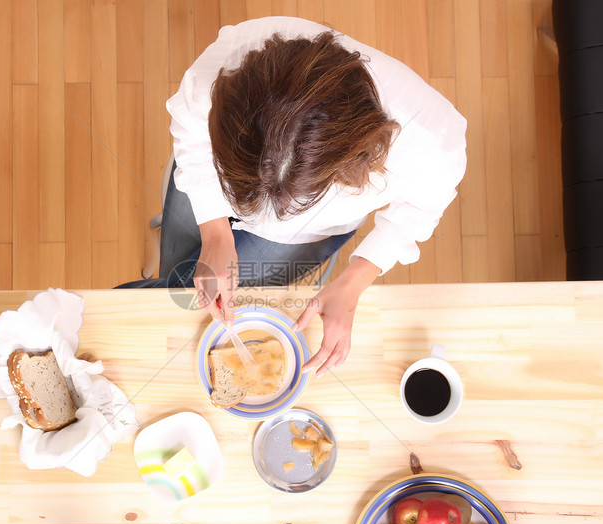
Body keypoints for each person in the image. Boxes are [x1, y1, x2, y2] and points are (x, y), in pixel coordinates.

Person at [119, 17, 467, 378]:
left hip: (297, 237)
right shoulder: (235, 61)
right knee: (175, 294)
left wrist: (354, 282)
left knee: (180, 298)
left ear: (356, 159)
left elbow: (421, 209)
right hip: (206, 184)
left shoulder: (431, 139)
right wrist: (215, 232)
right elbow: (192, 130)